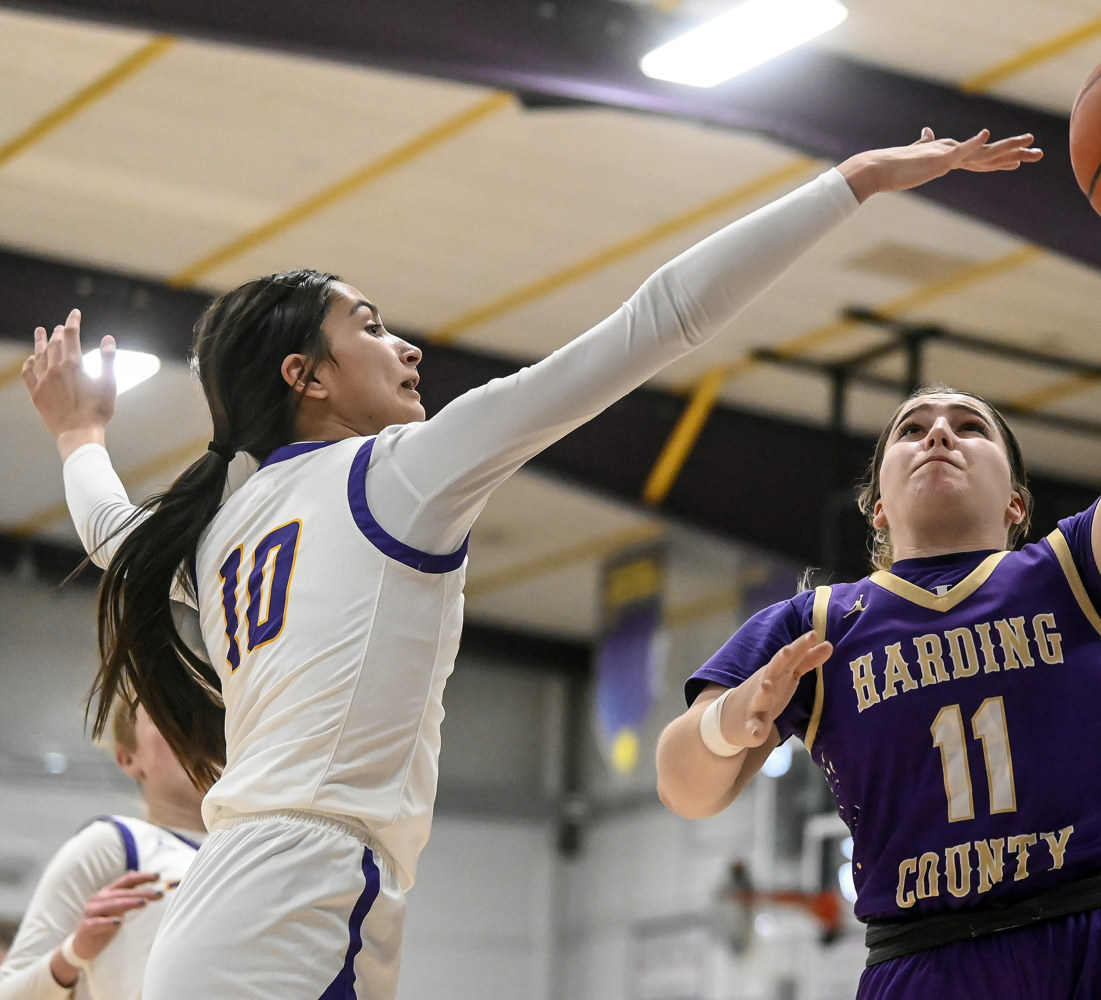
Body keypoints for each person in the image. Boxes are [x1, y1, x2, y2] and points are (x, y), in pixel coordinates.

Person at [20, 127, 1044, 1000]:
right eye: (370, 328)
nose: (406, 348)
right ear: (309, 378)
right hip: (295, 899)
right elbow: (656, 322)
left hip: (248, 904)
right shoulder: (398, 476)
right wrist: (850, 182)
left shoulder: (225, 523)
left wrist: (78, 434)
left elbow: (116, 533)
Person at [657, 191, 1101, 999]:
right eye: (912, 429)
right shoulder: (816, 623)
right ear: (879, 506)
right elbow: (682, 785)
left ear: (1017, 503)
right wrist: (727, 722)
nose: (940, 433)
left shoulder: (1072, 574)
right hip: (929, 960)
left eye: (970, 426)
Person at [0, 703, 205, 1000]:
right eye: (177, 716)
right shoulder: (114, 844)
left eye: (216, 716)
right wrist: (73, 954)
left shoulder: (264, 846)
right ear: (127, 758)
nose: (202, 733)